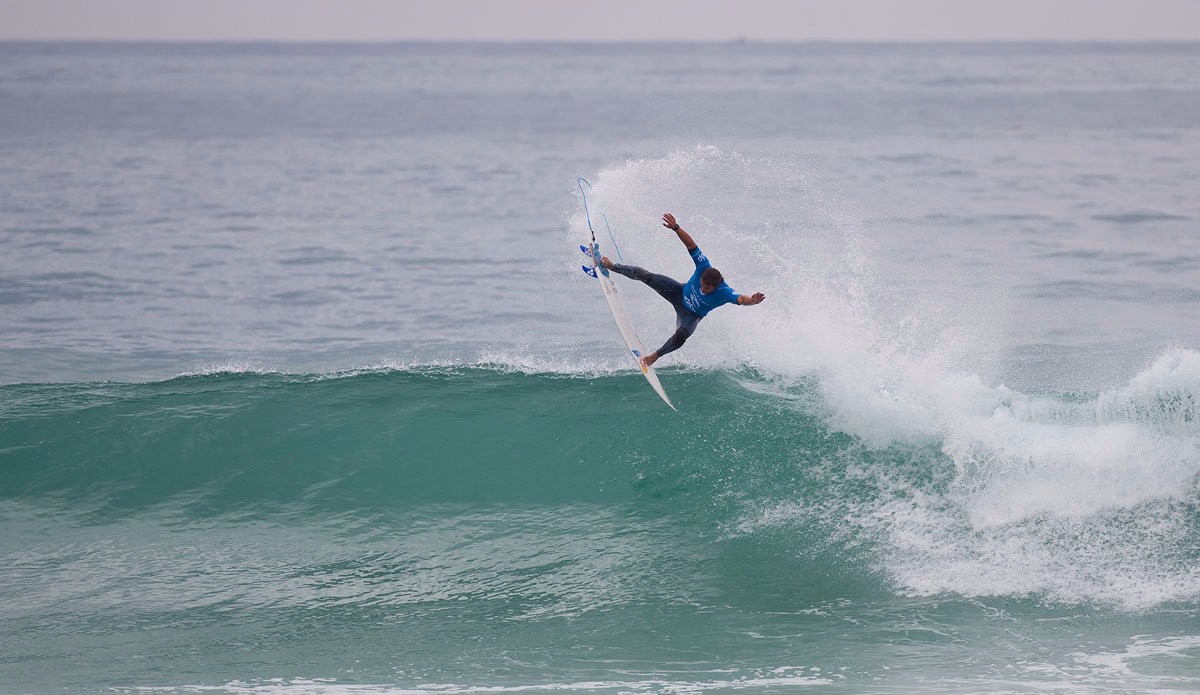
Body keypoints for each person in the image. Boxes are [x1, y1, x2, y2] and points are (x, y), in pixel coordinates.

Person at [597, 213, 765, 366]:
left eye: (706, 289)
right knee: (645, 275)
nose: (702, 289)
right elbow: (691, 245)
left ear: (715, 287)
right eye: (701, 284)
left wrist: (753, 300)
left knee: (681, 336)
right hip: (677, 292)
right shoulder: (703, 265)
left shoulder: (725, 292)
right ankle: (613, 266)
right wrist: (676, 228)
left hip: (691, 315)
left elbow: (742, 299)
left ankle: (655, 356)